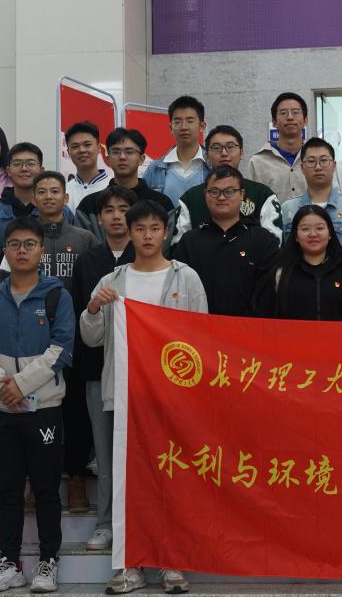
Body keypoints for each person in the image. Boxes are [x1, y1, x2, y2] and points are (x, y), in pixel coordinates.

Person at [80, 199, 206, 595]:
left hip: (171, 396)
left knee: (172, 480)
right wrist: (93, 309)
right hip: (124, 395)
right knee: (128, 481)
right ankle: (130, 565)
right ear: (128, 234)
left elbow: (201, 336)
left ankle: (172, 562)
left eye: (154, 228)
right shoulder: (112, 281)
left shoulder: (186, 278)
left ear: (166, 232)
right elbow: (91, 338)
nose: (147, 236)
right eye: (140, 229)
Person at [0, 217, 75, 594]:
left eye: (29, 244)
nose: (22, 251)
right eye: (14, 244)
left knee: (46, 490)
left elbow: (61, 349)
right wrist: (3, 387)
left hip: (44, 408)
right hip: (3, 410)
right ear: (5, 251)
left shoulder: (57, 296)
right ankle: (10, 563)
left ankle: (48, 561)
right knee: (8, 491)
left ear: (41, 251)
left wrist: (21, 384)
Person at [0, 171, 98, 512]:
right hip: (29, 346)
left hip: (74, 343)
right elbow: (4, 289)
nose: (49, 196)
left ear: (65, 198)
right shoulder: (22, 240)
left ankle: (76, 481)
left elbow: (92, 291)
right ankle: (36, 481)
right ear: (34, 198)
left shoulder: (84, 239)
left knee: (76, 416)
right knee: (33, 417)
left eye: (56, 191)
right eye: (42, 191)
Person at [68, 187, 136, 562]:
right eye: (108, 210)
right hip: (98, 368)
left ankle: (139, 522)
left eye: (123, 209)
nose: (116, 216)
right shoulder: (88, 261)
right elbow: (82, 313)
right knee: (106, 451)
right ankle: (106, 521)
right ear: (99, 218)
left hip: (142, 371)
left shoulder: (147, 258)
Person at [174, 166, 279, 317]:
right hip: (199, 325)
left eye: (229, 191)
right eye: (214, 191)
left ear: (242, 194)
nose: (221, 197)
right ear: (205, 194)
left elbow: (267, 295)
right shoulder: (189, 241)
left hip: (249, 327)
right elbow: (180, 290)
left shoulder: (262, 240)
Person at [172, 124, 282, 245]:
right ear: (206, 155)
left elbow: (275, 244)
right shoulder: (190, 198)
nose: (224, 153)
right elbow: (178, 246)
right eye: (216, 148)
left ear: (242, 153)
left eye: (230, 147)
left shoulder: (262, 194)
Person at [0, 142, 74, 265]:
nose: (24, 169)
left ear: (41, 170)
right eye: (17, 164)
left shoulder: (62, 212)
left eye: (31, 164)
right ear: (8, 171)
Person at [265, 205, 342, 320]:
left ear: (330, 234)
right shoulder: (280, 274)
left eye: (320, 228)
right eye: (305, 229)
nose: (313, 234)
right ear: (296, 236)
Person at [75, 128, 173, 241]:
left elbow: (165, 246)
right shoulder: (89, 205)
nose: (122, 157)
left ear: (142, 159)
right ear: (108, 159)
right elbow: (84, 246)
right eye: (116, 152)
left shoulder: (162, 204)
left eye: (129, 152)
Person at [280, 137, 342, 258]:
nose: (318, 167)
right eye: (311, 161)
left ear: (334, 165)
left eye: (324, 160)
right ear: (302, 168)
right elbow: (283, 254)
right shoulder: (288, 209)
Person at [142, 95, 212, 205]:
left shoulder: (213, 166)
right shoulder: (155, 169)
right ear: (171, 128)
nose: (184, 127)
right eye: (177, 122)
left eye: (190, 121)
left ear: (202, 126)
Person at [245, 92, 310, 201]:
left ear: (305, 121)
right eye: (283, 113)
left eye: (295, 112)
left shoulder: (316, 158)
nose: (290, 117)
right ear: (274, 122)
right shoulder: (257, 162)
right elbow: (250, 201)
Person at [64, 121, 111, 211]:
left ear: (99, 148)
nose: (82, 150)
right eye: (75, 146)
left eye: (87, 145)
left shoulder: (113, 186)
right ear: (68, 152)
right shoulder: (64, 190)